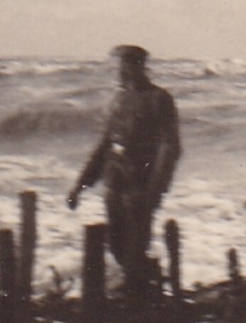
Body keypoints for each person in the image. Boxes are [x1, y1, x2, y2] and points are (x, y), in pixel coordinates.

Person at [67, 45, 181, 275]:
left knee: (137, 245)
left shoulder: (159, 98)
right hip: (114, 179)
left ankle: (142, 292)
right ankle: (143, 283)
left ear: (139, 67)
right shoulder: (119, 99)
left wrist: (155, 189)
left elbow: (171, 147)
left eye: (125, 66)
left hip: (141, 182)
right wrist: (80, 186)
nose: (119, 72)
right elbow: (104, 146)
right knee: (117, 245)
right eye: (119, 66)